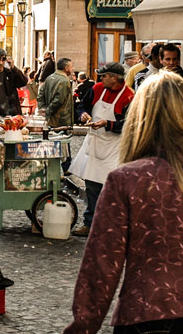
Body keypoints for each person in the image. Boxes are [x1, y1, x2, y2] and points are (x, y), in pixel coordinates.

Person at [64, 71, 183, 334]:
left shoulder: (127, 179)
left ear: (139, 118)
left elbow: (101, 264)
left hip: (147, 314)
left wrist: (83, 326)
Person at [69, 62, 134, 237]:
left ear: (114, 78)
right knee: (91, 187)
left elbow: (130, 124)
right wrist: (82, 114)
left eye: (104, 76)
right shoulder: (97, 89)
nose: (101, 78)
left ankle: (113, 225)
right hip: (95, 143)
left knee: (112, 189)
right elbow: (81, 106)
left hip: (114, 147)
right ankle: (89, 224)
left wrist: (108, 123)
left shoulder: (128, 96)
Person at [0, 49, 28, 117]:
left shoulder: (9, 72)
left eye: (3, 59)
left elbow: (23, 82)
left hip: (11, 111)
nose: (1, 63)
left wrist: (14, 68)